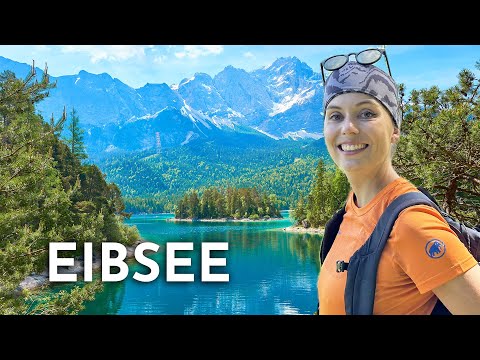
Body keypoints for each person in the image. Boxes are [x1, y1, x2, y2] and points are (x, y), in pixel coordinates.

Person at [316, 48, 480, 315]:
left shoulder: (411, 224)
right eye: (335, 115)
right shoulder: (349, 213)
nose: (348, 128)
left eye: (367, 113)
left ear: (394, 130)